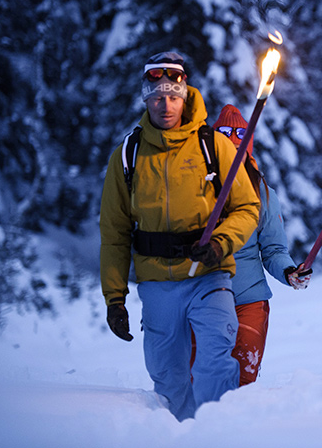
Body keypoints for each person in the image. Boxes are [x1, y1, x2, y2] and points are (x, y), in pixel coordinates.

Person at [99, 52, 260, 421]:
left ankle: (217, 434)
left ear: (185, 95)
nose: (165, 104)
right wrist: (114, 298)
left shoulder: (214, 146)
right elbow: (114, 232)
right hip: (156, 282)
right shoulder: (128, 155)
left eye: (173, 96)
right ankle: (180, 436)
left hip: (209, 276)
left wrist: (220, 243)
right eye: (156, 97)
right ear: (146, 99)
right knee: (168, 376)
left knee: (216, 356)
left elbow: (246, 208)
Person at [203, 104, 313, 386]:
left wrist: (289, 272)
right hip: (202, 299)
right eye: (225, 133)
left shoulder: (263, 193)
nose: (232, 139)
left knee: (242, 382)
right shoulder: (195, 187)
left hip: (248, 300)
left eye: (240, 134)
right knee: (201, 382)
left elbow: (274, 249)